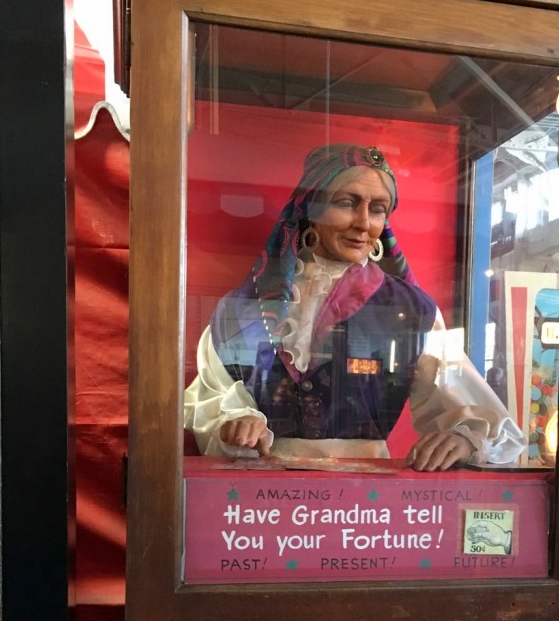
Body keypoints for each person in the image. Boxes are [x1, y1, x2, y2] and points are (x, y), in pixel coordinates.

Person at [184, 143, 525, 472]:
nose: (363, 223)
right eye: (347, 203)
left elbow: (474, 409)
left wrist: (465, 438)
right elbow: (210, 395)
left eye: (378, 209)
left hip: (362, 499)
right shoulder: (243, 307)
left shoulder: (410, 310)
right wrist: (235, 420)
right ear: (311, 208)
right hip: (259, 496)